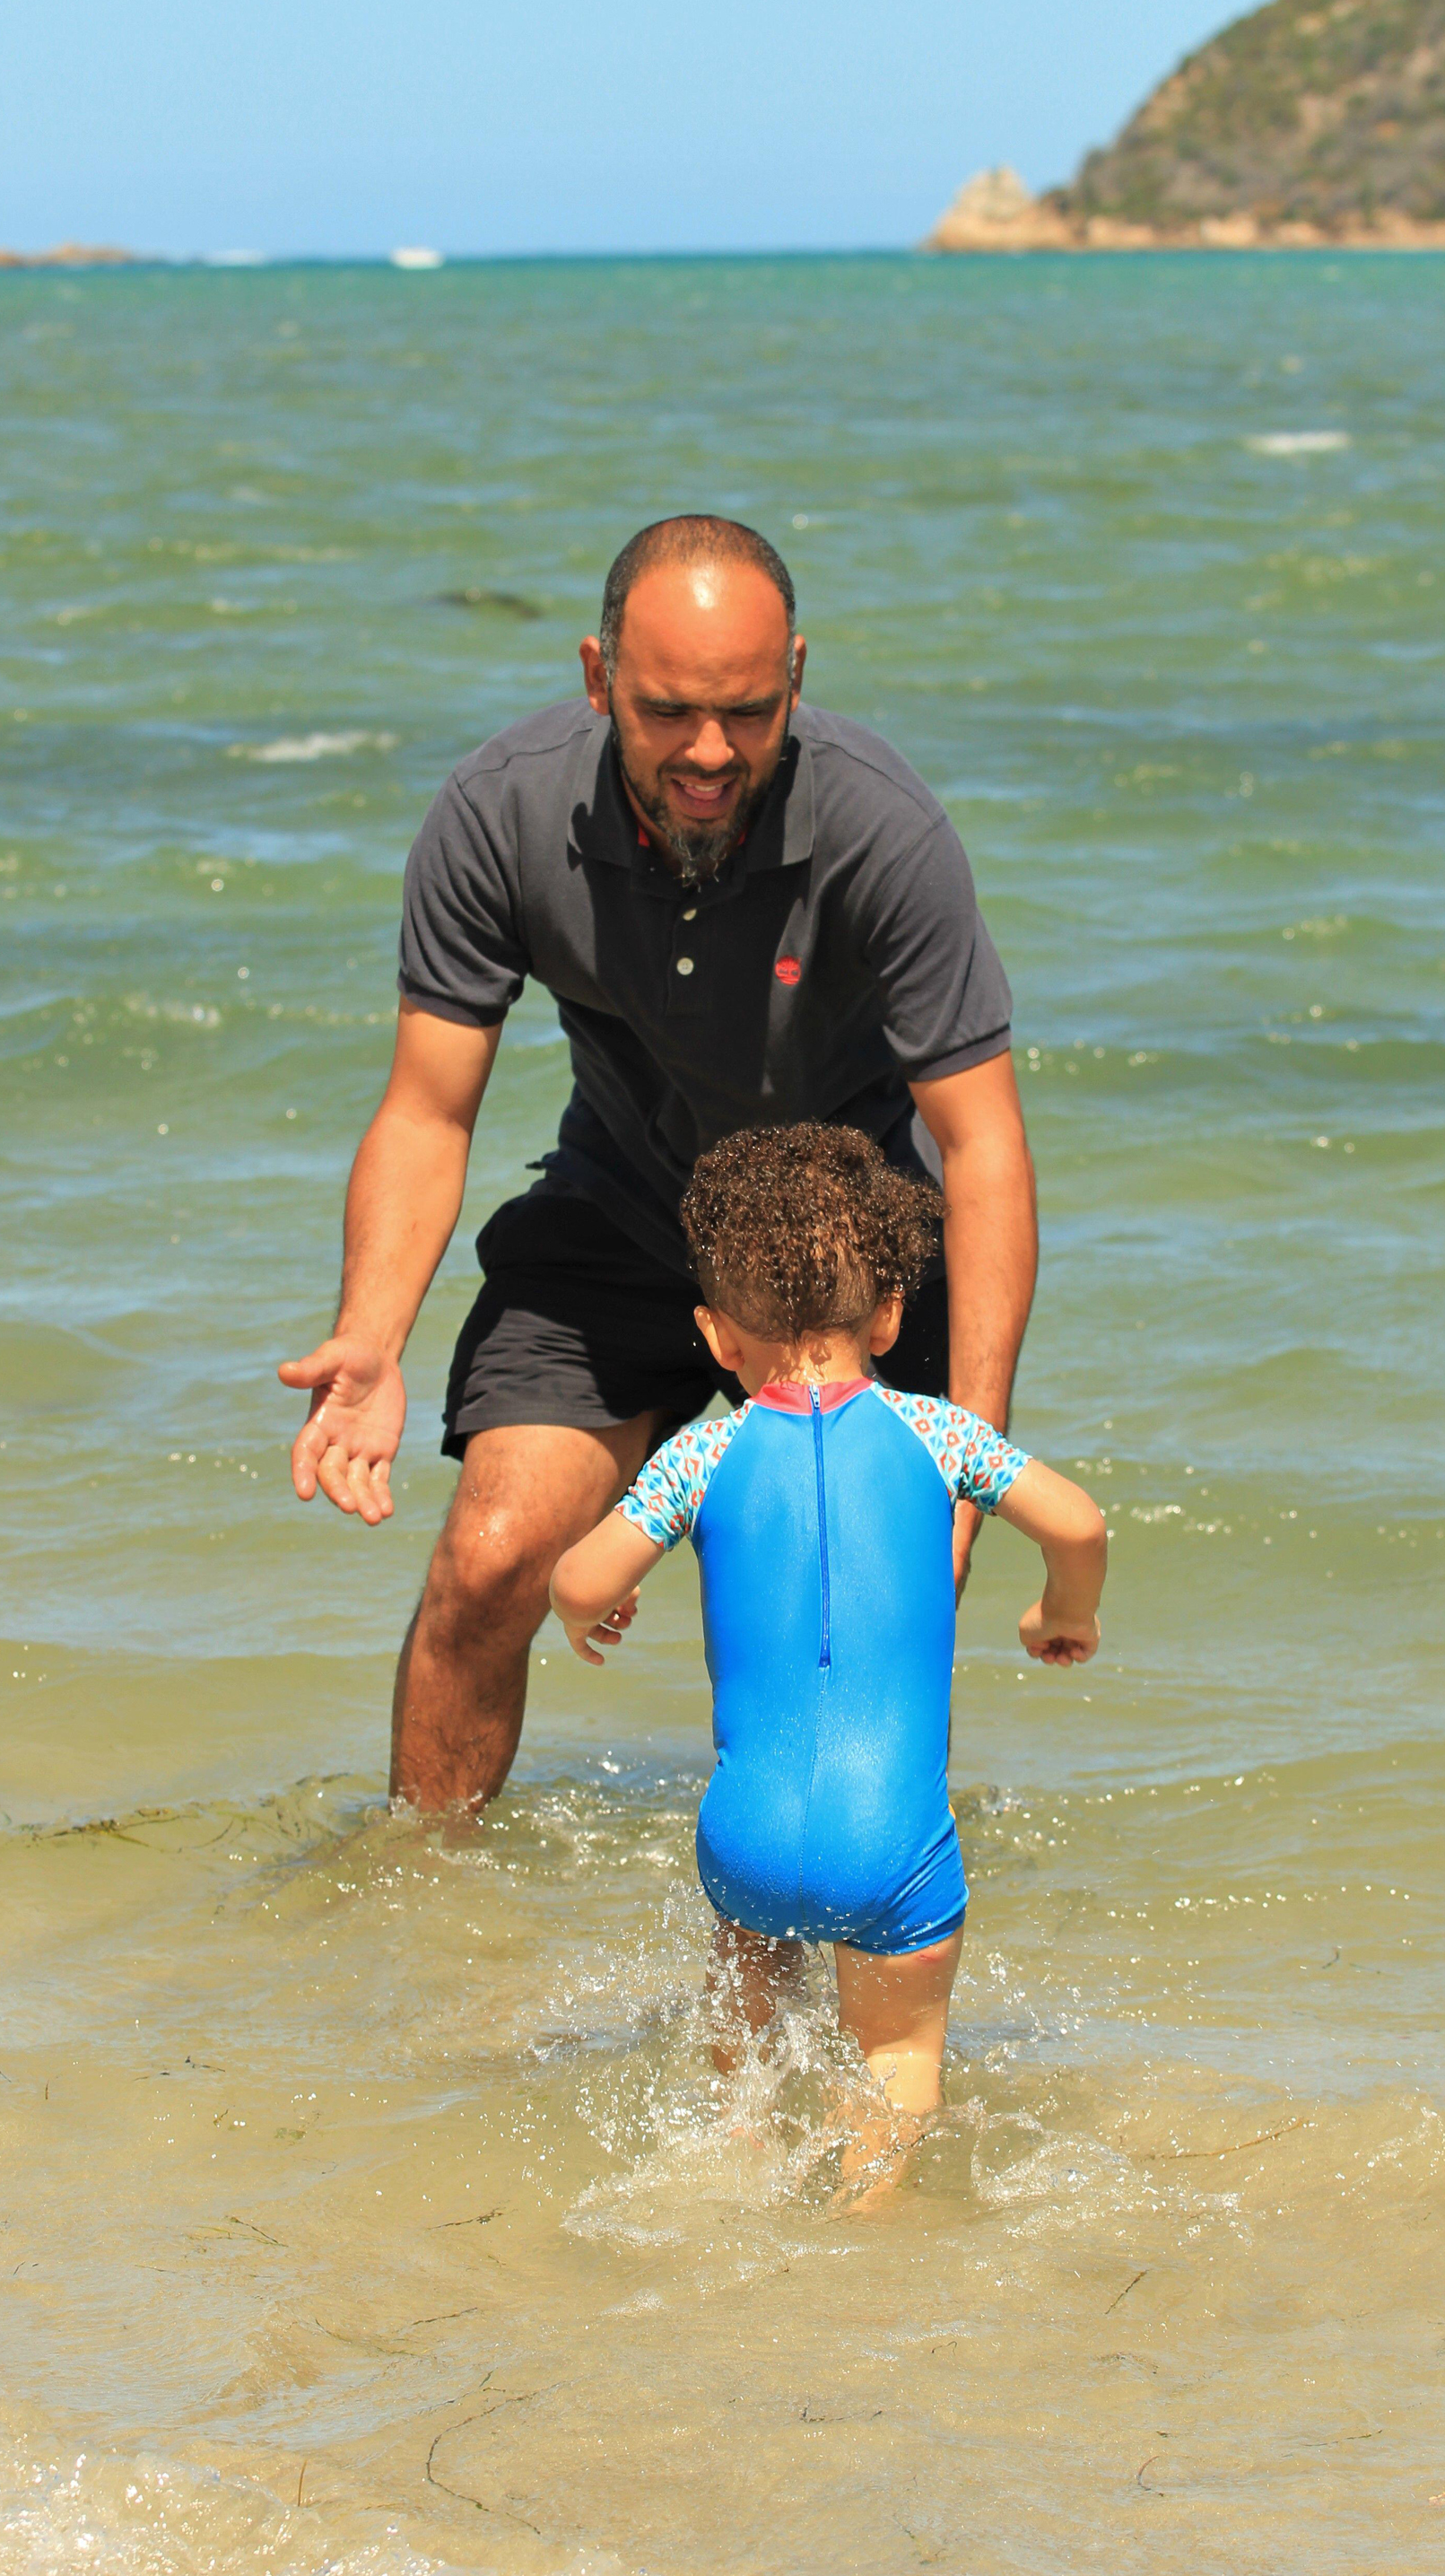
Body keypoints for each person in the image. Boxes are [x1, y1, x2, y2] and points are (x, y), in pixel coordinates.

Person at [279, 514, 1037, 1810]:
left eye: (747, 712)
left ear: (797, 674)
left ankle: (829, 1989)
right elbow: (427, 1112)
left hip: (848, 1270)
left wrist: (970, 1449)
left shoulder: (883, 832)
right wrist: (372, 1336)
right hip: (627, 1224)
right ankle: (419, 1936)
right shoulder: (497, 815)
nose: (708, 752)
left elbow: (983, 1152)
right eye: (668, 710)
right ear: (596, 678)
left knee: (848, 1642)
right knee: (489, 1563)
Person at [548, 1123, 1106, 2197]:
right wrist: (1055, 1614)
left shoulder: (699, 1455)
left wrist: (592, 1612)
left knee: (743, 2030)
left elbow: (575, 1578)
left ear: (716, 1338)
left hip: (744, 1840)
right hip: (892, 1847)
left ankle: (733, 2170)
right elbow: (1077, 1524)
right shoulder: (940, 1436)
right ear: (890, 1314)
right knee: (894, 2059)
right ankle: (866, 2231)